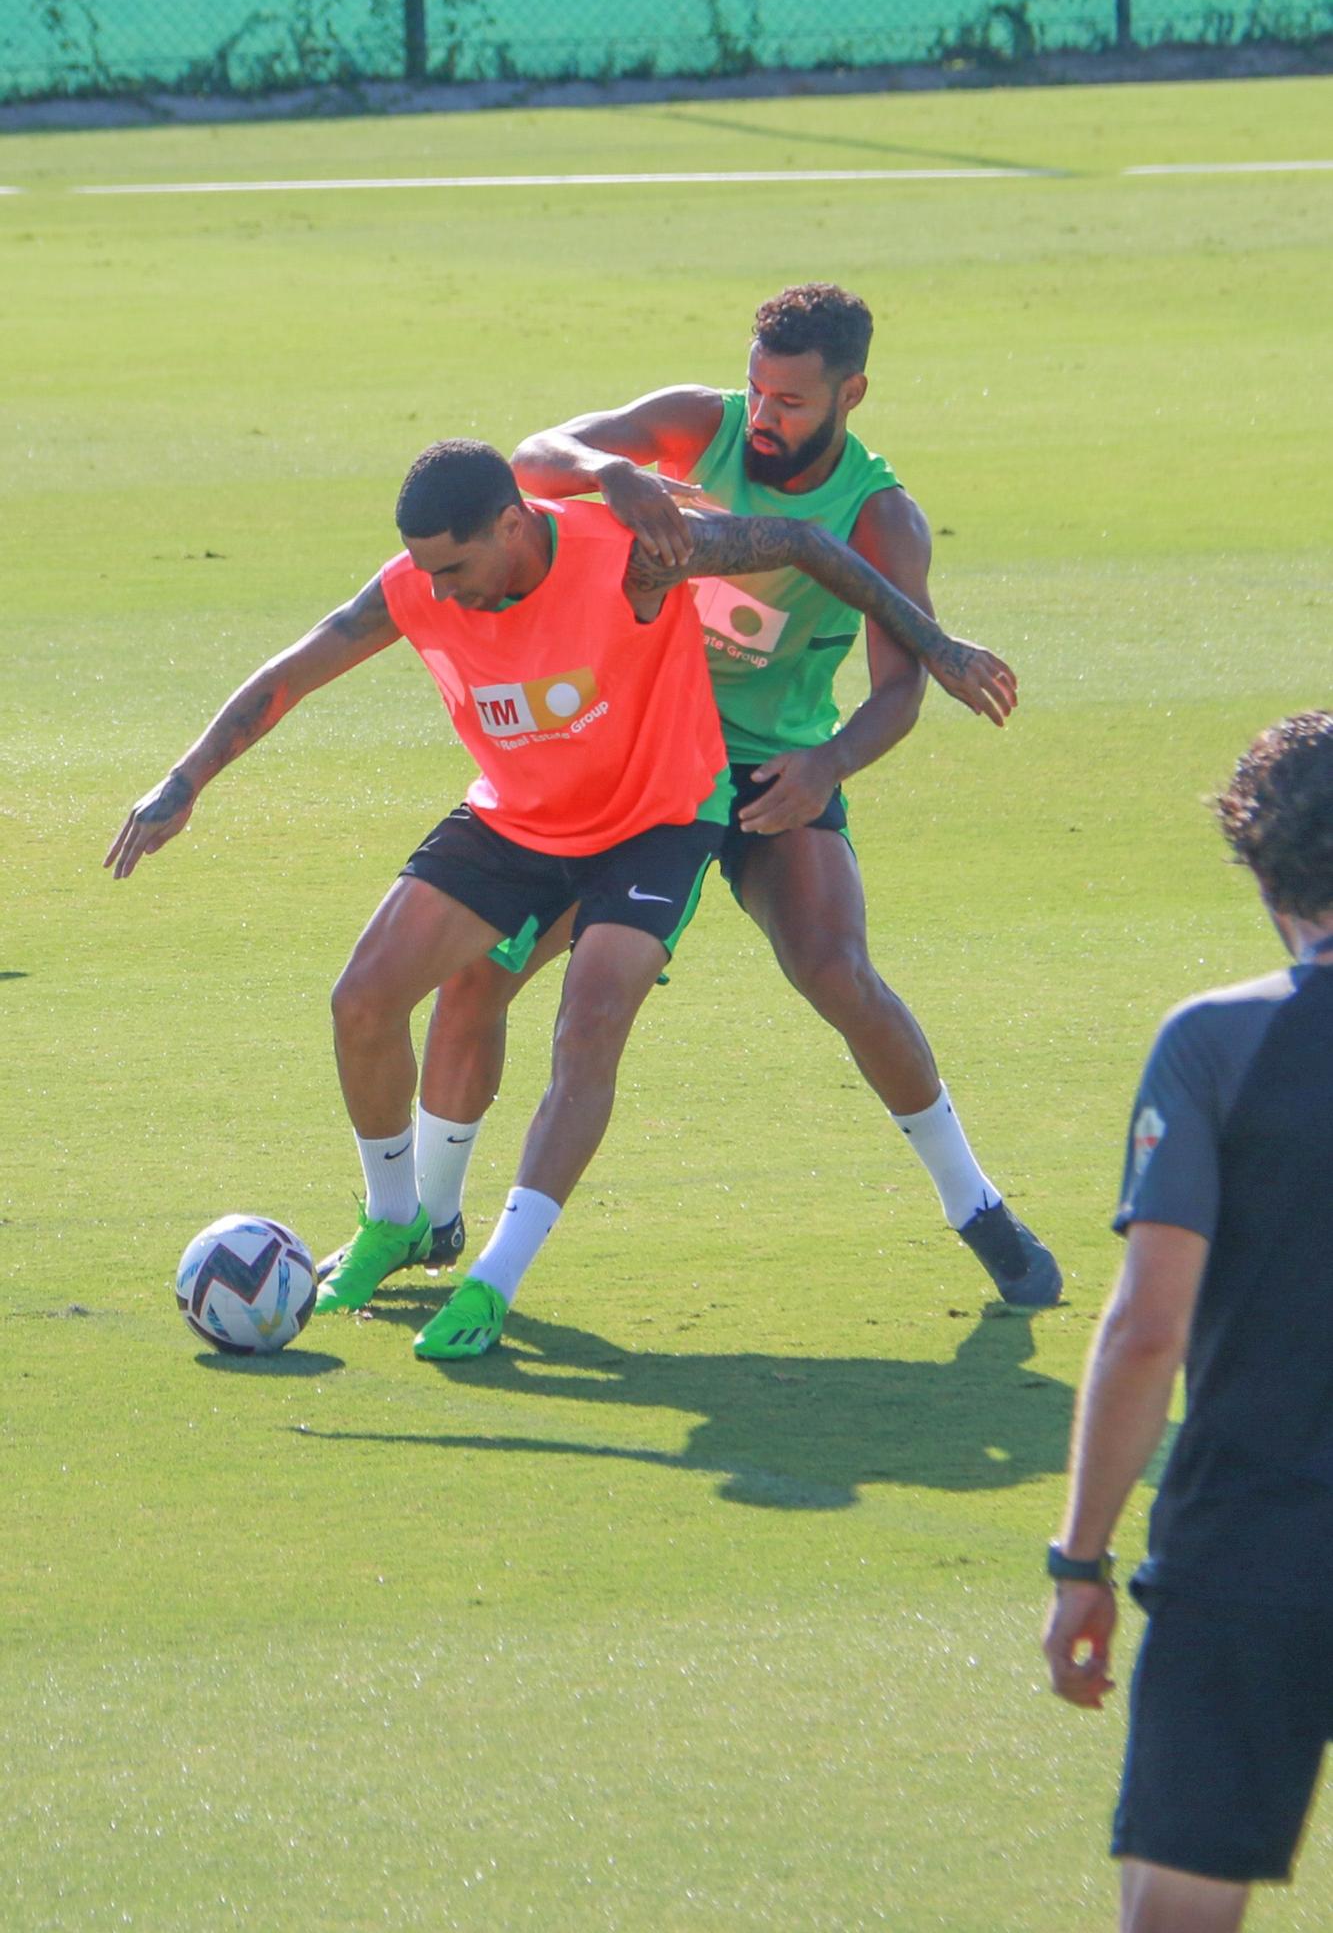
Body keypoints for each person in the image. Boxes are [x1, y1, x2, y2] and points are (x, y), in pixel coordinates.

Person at [106, 437, 1016, 1360]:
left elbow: (804, 546)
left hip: (657, 821)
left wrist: (932, 644)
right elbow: (289, 675)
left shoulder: (634, 554)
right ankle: (396, 1221)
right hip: (519, 819)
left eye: (455, 566)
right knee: (364, 997)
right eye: (427, 570)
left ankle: (495, 1277)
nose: (442, 591)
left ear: (511, 524)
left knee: (586, 1031)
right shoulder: (417, 584)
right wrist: (183, 782)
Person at [412, 283, 1061, 1307]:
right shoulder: (696, 424)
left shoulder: (880, 516)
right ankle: (429, 1218)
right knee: (480, 975)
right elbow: (532, 456)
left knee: (836, 970)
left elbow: (899, 691)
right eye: (758, 388)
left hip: (767, 770)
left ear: (852, 392)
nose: (763, 415)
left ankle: (974, 1203)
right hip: (626, 765)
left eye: (793, 402)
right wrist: (615, 473)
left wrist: (826, 769)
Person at [1043, 710, 1333, 1932]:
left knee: (1177, 1903)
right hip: (1252, 1542)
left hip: (1250, 1544)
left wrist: (1079, 1559)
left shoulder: (1216, 1042)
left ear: (1259, 861)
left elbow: (1144, 1330)